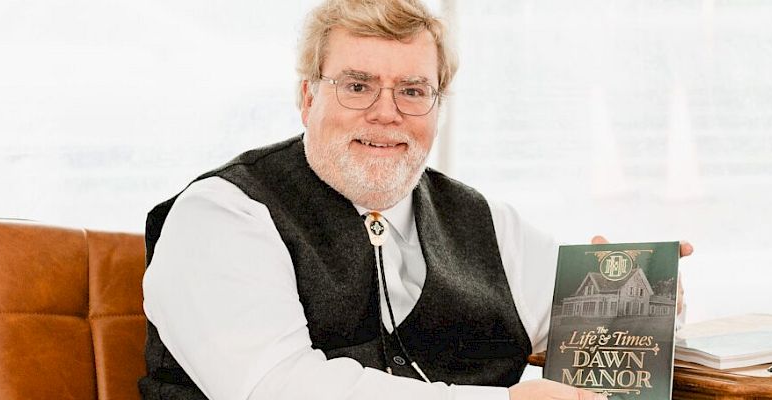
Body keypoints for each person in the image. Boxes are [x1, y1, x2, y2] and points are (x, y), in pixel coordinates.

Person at [139, 1, 690, 399]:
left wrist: (643, 292)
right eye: (357, 86)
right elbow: (277, 387)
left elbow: (601, 333)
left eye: (412, 90)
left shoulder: (486, 223)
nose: (386, 112)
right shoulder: (223, 215)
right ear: (307, 96)